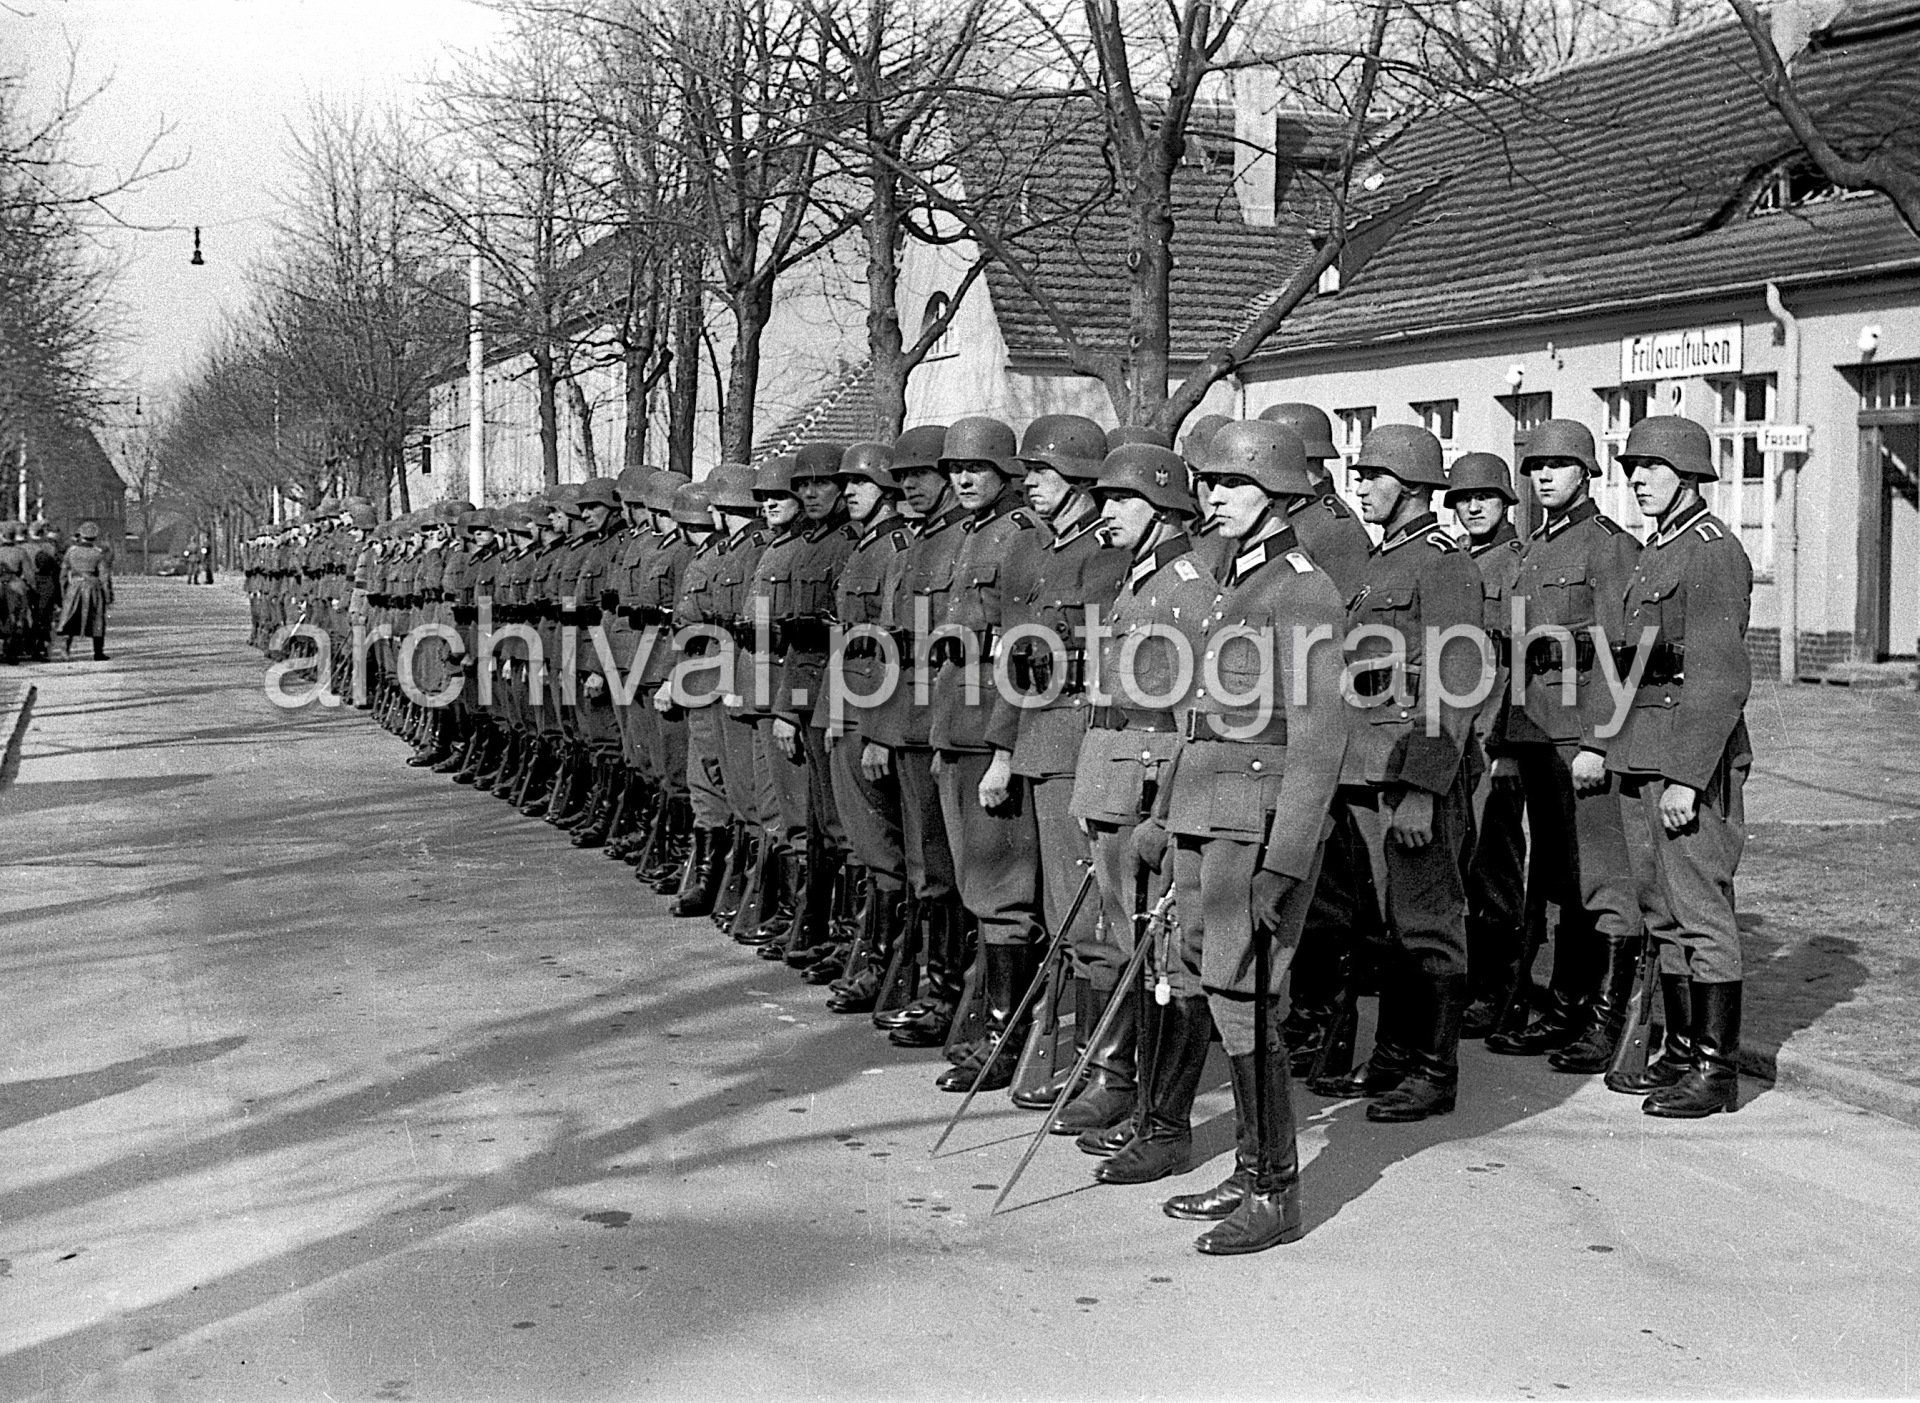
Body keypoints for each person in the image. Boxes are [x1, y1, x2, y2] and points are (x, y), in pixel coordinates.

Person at [1112, 420, 1349, 1255]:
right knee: (1211, 982)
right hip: (1204, 817)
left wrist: (1286, 861)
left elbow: (1320, 741)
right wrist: (1163, 818)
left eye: (1230, 485)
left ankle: (1277, 1190)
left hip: (1254, 826)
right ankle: (1251, 1168)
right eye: (1207, 484)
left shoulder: (1304, 590)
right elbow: (1197, 723)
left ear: (1279, 495)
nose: (1211, 496)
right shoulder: (1229, 585)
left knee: (1246, 995)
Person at [1316, 424, 1483, 1123]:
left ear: (1411, 485)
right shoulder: (1385, 559)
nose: (1361, 485)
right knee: (1388, 920)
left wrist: (1423, 785)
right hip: (1367, 766)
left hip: (1412, 770)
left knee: (1428, 917)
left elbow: (1457, 678)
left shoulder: (1442, 562)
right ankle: (1393, 1055)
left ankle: (1434, 1070)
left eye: (1374, 475)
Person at [1483, 419, 1645, 1074]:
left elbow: (1621, 654)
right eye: (1537, 465)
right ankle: (1566, 1000)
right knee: (1554, 872)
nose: (1544, 475)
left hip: (1580, 735)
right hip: (1535, 730)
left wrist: (1601, 741)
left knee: (1594, 873)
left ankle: (1598, 1018)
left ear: (1586, 473)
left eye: (1559, 465)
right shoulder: (1533, 547)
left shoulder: (1608, 547)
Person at [1605, 414, 1753, 1118]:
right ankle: (1682, 1049)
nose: (1638, 478)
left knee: (1701, 910)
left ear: (1691, 474)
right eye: (1632, 466)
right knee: (1661, 910)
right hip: (1644, 753)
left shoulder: (1710, 551)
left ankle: (1717, 1070)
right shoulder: (1656, 547)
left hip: (1688, 760)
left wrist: (1690, 779)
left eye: (1653, 467)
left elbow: (1720, 678)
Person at [1441, 452, 1532, 1038]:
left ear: (1505, 504)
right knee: (1459, 861)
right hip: (1456, 734)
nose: (1473, 507)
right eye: (1462, 499)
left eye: (1485, 498)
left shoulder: (1516, 567)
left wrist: (1512, 745)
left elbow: (1523, 662)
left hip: (1495, 735)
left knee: (1495, 866)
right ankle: (1472, 981)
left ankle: (1500, 990)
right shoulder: (1455, 561)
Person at [59, 521, 115, 660]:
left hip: (75, 587)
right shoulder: (98, 554)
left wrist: (64, 591)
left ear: (80, 535)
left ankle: (65, 650)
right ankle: (98, 652)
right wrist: (108, 596)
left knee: (69, 617)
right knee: (97, 618)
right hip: (93, 587)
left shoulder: (71, 552)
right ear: (94, 537)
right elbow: (104, 577)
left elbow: (63, 574)